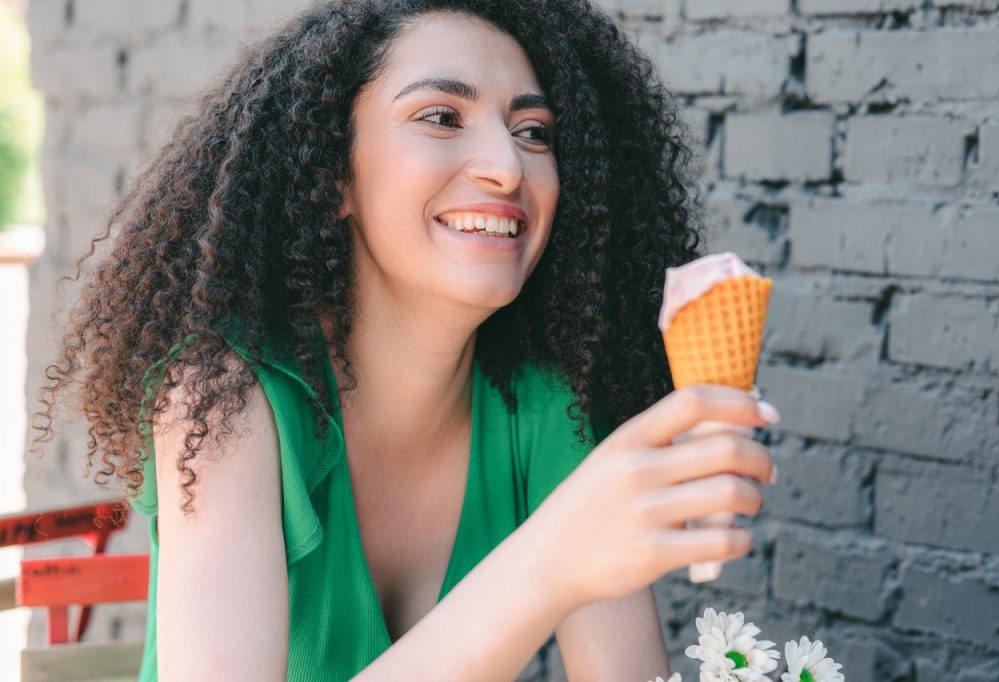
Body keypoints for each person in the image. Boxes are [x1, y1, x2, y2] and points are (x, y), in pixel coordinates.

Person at [31, 1, 780, 680]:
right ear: (330, 177)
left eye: (533, 132)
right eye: (441, 118)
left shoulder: (546, 405)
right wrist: (552, 558)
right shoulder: (223, 397)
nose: (506, 166)